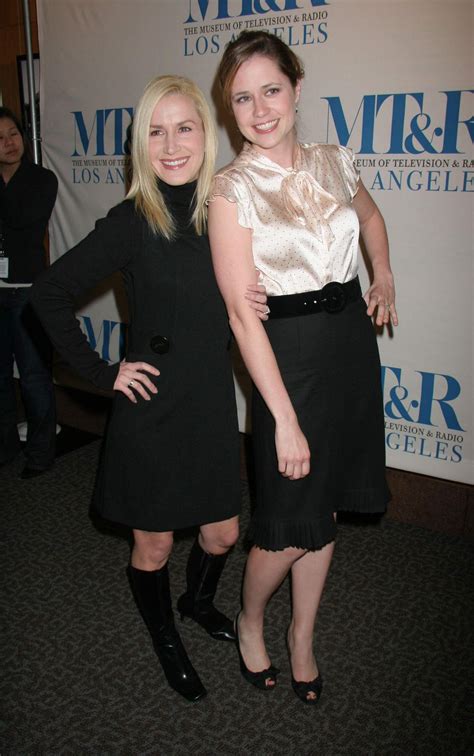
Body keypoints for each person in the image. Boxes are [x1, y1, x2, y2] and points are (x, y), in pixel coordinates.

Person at [31, 75, 268, 703]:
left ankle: (196, 600)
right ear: (141, 143)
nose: (170, 144)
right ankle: (166, 637)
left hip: (211, 399)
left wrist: (255, 299)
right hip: (152, 407)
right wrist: (103, 372)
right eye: (155, 131)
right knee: (155, 543)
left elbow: (237, 292)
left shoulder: (226, 207)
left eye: (184, 127)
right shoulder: (132, 220)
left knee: (220, 534)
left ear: (205, 134)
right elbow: (47, 293)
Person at [208, 31, 398, 705]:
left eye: (271, 89)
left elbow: (371, 221)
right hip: (285, 360)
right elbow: (239, 315)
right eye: (242, 98)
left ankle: (303, 638)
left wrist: (384, 276)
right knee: (288, 521)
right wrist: (282, 420)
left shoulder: (335, 161)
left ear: (295, 87)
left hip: (349, 345)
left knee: (329, 509)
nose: (260, 109)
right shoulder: (230, 190)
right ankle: (252, 618)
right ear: (228, 109)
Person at [0, 107, 58, 478]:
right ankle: (5, 448)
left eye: (14, 134)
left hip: (27, 292)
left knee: (35, 377)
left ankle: (41, 454)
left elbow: (23, 223)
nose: (9, 143)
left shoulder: (42, 179)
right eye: (0, 138)